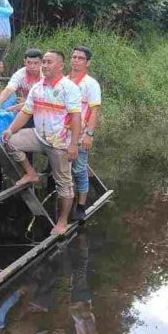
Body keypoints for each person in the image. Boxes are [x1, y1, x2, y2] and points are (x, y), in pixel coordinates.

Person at [2, 51, 82, 234]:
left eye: (49, 62)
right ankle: (31, 173)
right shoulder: (37, 88)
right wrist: (11, 129)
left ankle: (62, 222)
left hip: (60, 141)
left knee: (63, 184)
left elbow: (76, 118)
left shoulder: (68, 88)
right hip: (39, 136)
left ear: (60, 65)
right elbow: (26, 112)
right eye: (44, 62)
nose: (45, 65)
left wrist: (73, 145)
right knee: (9, 141)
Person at [68, 46, 102, 221]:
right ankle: (66, 202)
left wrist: (90, 134)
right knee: (64, 170)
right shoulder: (64, 80)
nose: (75, 60)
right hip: (62, 135)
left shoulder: (90, 84)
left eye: (80, 58)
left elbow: (95, 111)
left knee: (80, 169)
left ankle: (81, 205)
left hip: (81, 134)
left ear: (87, 62)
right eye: (74, 57)